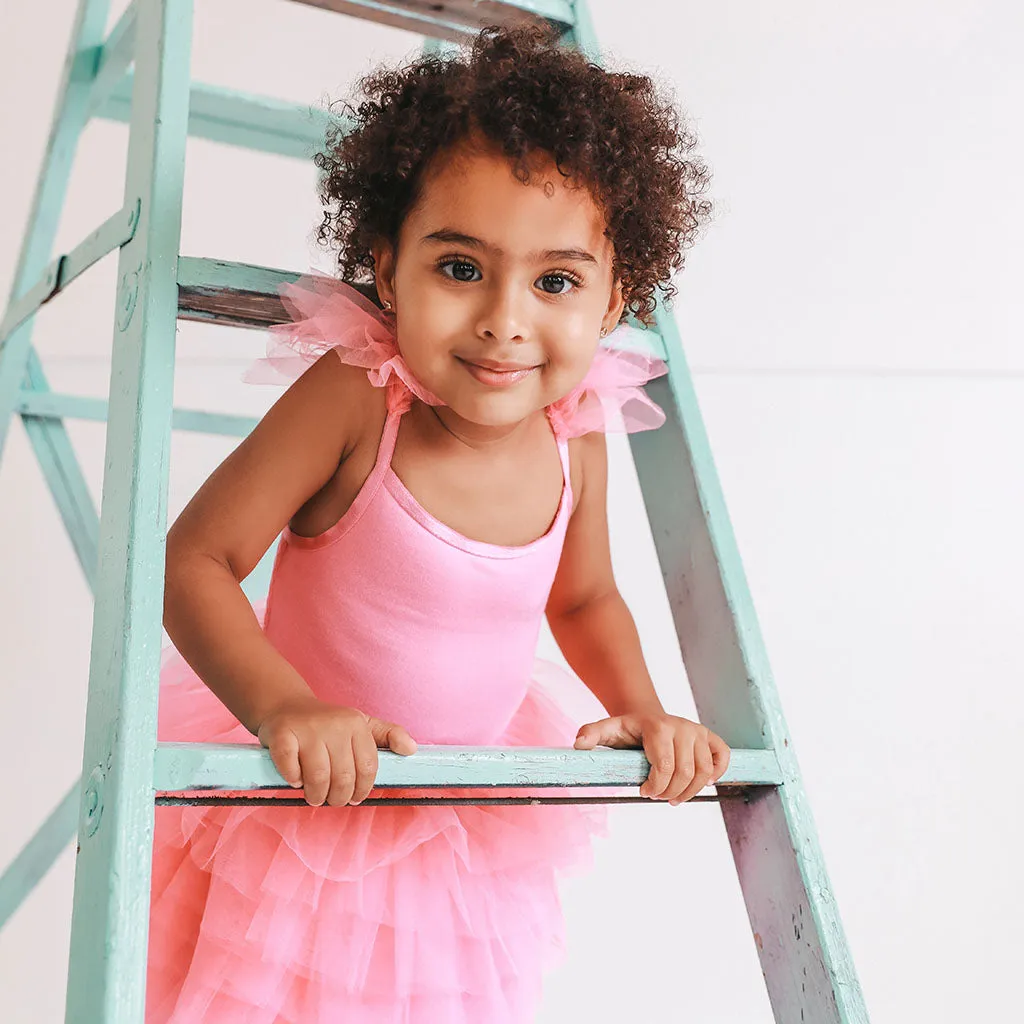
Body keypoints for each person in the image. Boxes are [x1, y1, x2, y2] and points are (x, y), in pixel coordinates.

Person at [146, 21, 727, 1024]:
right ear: (388, 265)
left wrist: (639, 702)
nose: (505, 318)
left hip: (455, 824)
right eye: (461, 269)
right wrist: (286, 709)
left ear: (612, 297)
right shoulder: (359, 398)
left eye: (554, 282)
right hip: (305, 811)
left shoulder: (573, 430)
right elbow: (196, 557)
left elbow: (582, 595)